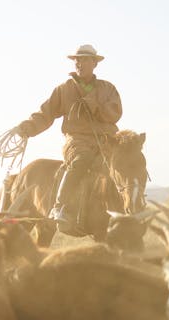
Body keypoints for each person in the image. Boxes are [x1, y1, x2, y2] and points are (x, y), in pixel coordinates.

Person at [12, 44, 122, 232]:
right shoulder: (64, 90)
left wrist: (96, 106)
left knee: (128, 162)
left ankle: (132, 206)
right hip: (77, 142)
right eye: (77, 59)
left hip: (107, 142)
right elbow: (46, 114)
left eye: (85, 59)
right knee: (81, 161)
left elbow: (115, 113)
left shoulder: (108, 89)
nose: (80, 63)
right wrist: (28, 127)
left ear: (95, 63)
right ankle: (60, 206)